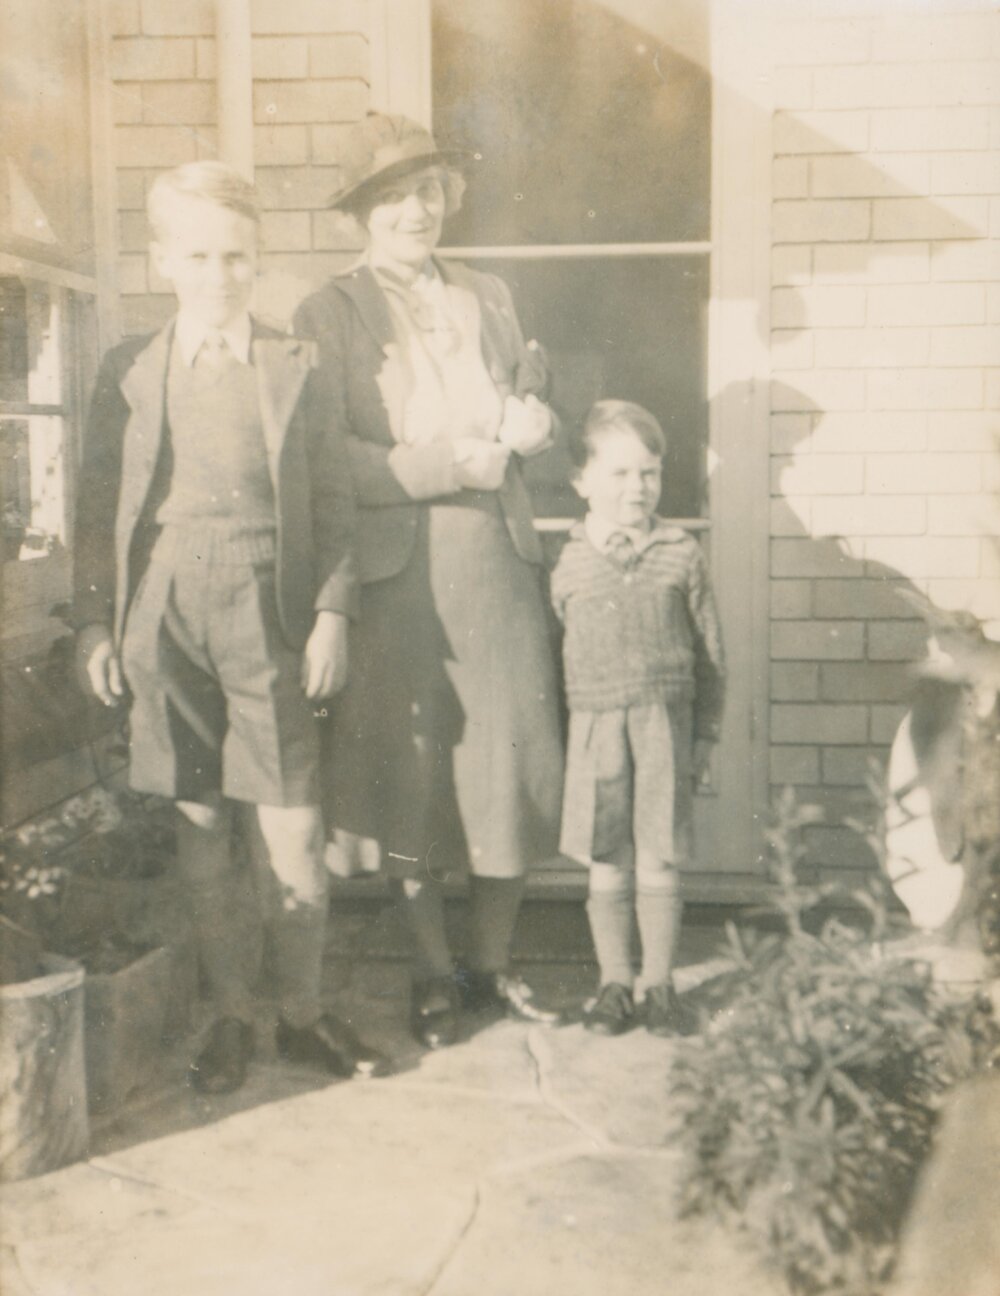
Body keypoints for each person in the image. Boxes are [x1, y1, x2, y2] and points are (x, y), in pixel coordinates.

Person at [72, 161, 387, 1095]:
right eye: (200, 256)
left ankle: (301, 1008)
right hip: (165, 606)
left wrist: (331, 612)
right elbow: (97, 507)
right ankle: (234, 1015)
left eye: (237, 257)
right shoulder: (129, 369)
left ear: (260, 260)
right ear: (164, 261)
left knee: (291, 823)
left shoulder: (297, 364)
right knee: (201, 819)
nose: (220, 275)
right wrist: (93, 624)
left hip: (269, 605)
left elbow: (334, 502)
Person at [293, 113, 564, 1049]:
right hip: (402, 576)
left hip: (499, 564)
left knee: (507, 769)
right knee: (415, 780)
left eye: (428, 191)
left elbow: (527, 402)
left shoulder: (490, 293)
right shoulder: (328, 312)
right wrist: (450, 463)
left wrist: (536, 424)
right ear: (361, 212)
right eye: (393, 197)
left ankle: (489, 964)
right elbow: (330, 462)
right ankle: (431, 971)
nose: (415, 211)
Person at [550, 400, 725, 1036]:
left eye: (649, 473)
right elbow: (554, 652)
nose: (637, 487)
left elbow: (711, 655)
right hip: (596, 729)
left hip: (662, 729)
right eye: (619, 473)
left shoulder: (681, 554)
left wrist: (705, 733)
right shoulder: (569, 562)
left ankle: (658, 986)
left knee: (658, 856)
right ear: (582, 481)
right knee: (608, 858)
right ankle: (614, 983)